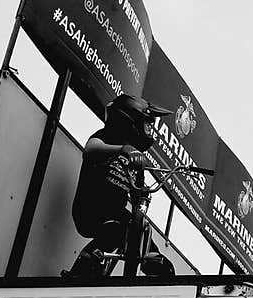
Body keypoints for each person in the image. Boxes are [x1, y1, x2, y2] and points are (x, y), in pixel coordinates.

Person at [64, 94, 173, 278]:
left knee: (142, 234)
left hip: (117, 211)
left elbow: (137, 193)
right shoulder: (107, 136)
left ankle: (158, 272)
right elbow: (90, 148)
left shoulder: (136, 160)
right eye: (148, 123)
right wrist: (122, 149)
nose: (150, 129)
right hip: (91, 207)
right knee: (115, 229)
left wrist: (142, 195)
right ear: (131, 118)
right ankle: (80, 271)